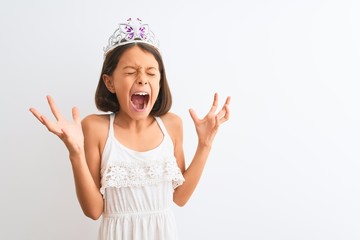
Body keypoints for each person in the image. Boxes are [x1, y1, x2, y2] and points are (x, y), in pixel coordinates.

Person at [29, 18, 230, 240]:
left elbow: (180, 197)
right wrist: (75, 153)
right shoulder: (96, 128)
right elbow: (93, 211)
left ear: (160, 82)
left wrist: (205, 144)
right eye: (131, 71)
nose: (142, 79)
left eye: (151, 73)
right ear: (110, 82)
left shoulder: (172, 124)